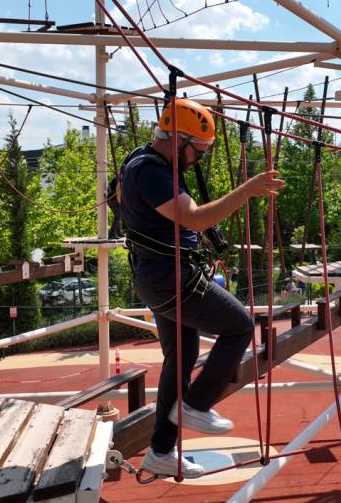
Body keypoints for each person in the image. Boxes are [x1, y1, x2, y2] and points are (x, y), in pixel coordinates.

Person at [118, 98, 285, 479]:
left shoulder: (148, 163)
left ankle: (161, 450)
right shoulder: (151, 172)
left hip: (160, 277)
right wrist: (248, 190)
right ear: (177, 139)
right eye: (200, 150)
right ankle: (195, 404)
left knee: (181, 357)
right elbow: (193, 219)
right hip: (170, 278)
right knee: (239, 326)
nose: (200, 159)